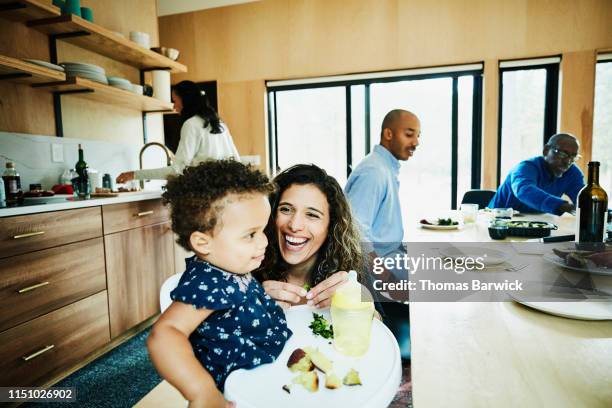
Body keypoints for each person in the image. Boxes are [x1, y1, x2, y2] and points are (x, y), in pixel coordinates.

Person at [147, 160, 291, 408]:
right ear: (204, 243)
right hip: (237, 389)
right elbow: (164, 334)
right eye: (250, 234)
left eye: (263, 230)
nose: (264, 242)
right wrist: (202, 392)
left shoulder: (231, 264)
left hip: (267, 369)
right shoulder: (208, 282)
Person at [344, 109, 421, 360]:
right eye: (410, 134)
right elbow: (356, 232)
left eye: (418, 136)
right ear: (388, 134)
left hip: (391, 258)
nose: (416, 142)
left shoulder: (385, 168)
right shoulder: (374, 172)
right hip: (376, 270)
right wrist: (385, 276)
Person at [255, 164, 366, 310]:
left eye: (312, 215)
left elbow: (379, 324)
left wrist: (359, 304)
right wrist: (250, 308)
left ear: (331, 225)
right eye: (286, 209)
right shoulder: (246, 272)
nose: (294, 226)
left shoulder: (353, 271)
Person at [116, 81, 240, 184]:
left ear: (185, 100)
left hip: (204, 195)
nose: (174, 107)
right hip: (226, 195)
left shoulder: (191, 124)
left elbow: (177, 170)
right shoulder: (219, 123)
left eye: (175, 101)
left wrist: (134, 174)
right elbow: (237, 161)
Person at [489, 133, 585, 215]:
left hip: (537, 223)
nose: (568, 161)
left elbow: (583, 198)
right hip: (499, 222)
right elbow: (524, 191)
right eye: (562, 154)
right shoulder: (525, 168)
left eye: (573, 157)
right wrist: (562, 206)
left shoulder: (572, 173)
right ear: (546, 150)